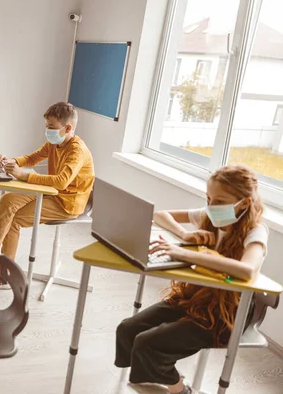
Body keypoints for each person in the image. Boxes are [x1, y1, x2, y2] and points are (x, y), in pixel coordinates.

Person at [115, 165, 269, 394]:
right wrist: (185, 234)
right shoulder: (208, 215)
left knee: (149, 343)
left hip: (228, 311)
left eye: (219, 200)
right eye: (208, 198)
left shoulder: (255, 231)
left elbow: (247, 270)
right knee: (128, 329)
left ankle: (181, 390)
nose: (211, 205)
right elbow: (160, 216)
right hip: (196, 297)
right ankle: (148, 376)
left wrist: (186, 253)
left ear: (244, 203)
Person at [0, 102, 94, 261]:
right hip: (51, 191)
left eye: (52, 127)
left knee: (14, 220)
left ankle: (3, 270)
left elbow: (61, 182)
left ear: (68, 128)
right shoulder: (55, 143)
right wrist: (12, 162)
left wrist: (23, 176)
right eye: (47, 126)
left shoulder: (77, 150)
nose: (48, 131)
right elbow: (32, 158)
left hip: (67, 202)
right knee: (7, 200)